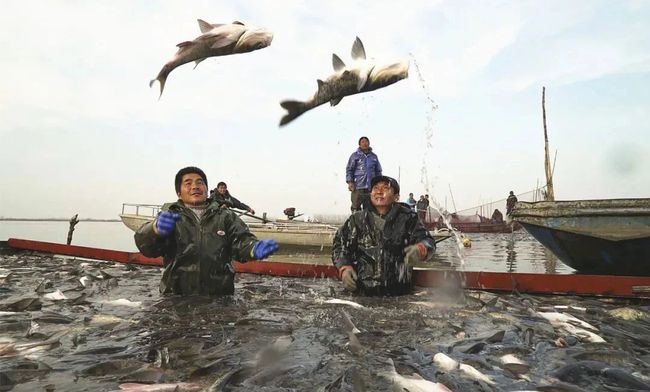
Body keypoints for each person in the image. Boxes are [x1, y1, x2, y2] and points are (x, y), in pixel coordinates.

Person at [135, 166, 279, 295]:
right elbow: (147, 249)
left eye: (200, 182)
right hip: (176, 296)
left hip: (220, 296)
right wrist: (154, 230)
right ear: (179, 193)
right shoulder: (169, 217)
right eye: (188, 183)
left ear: (206, 189)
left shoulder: (225, 216)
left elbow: (241, 241)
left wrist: (253, 248)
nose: (195, 186)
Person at [332, 176, 435, 295]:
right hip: (362, 292)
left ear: (396, 197)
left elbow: (428, 241)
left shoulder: (408, 218)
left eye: (385, 188)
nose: (379, 191)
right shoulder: (357, 219)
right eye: (375, 188)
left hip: (399, 293)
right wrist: (344, 268)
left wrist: (420, 249)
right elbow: (339, 246)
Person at [345, 136, 382, 212]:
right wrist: (350, 182)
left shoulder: (373, 156)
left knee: (370, 208)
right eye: (363, 142)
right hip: (358, 186)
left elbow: (378, 171)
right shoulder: (354, 156)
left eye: (366, 141)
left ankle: (367, 223)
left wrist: (379, 183)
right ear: (359, 144)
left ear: (369, 143)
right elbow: (349, 169)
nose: (365, 143)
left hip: (371, 187)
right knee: (356, 206)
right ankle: (356, 223)